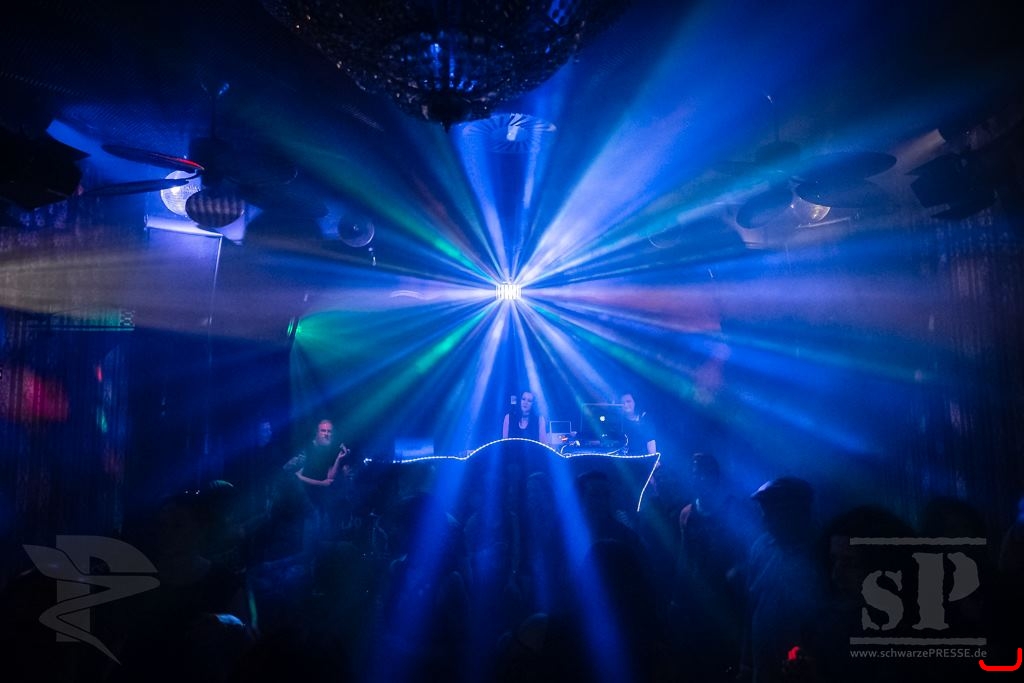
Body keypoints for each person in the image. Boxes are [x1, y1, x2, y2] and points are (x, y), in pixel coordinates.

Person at [283, 419, 351, 545]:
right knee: (311, 532)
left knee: (322, 531)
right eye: (323, 431)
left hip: (319, 497)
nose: (326, 434)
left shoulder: (328, 449)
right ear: (317, 433)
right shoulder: (307, 450)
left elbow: (330, 477)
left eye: (329, 431)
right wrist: (321, 483)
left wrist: (338, 459)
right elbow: (295, 476)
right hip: (304, 497)